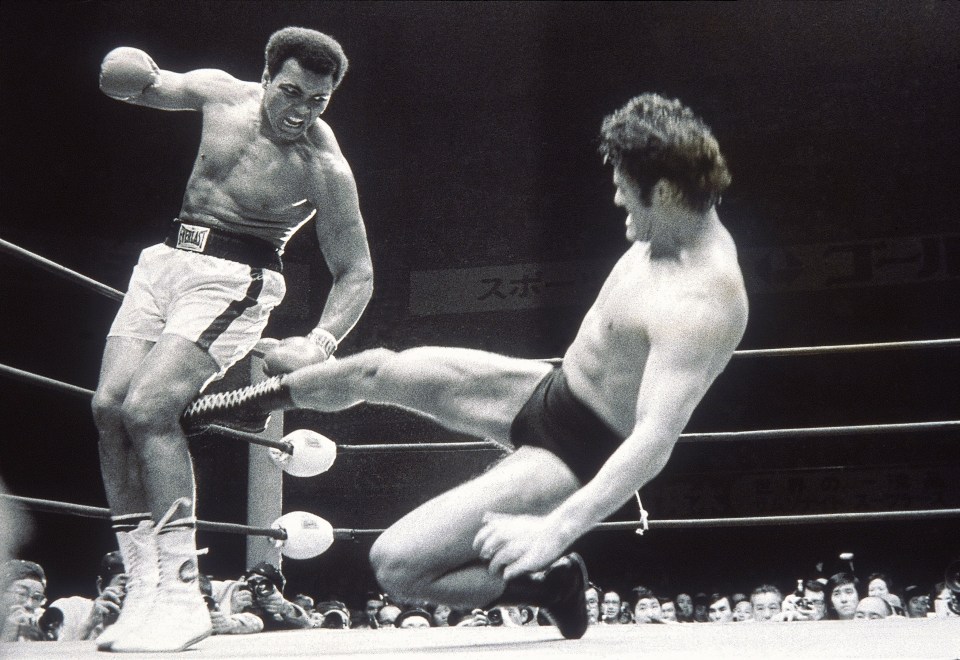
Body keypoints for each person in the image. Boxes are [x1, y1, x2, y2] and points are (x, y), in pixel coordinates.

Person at [182, 93, 746, 641]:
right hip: (550, 390)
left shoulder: (704, 300)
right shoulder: (663, 233)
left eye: (627, 190)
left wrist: (558, 528)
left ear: (667, 192)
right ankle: (243, 406)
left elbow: (653, 439)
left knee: (399, 564)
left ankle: (549, 587)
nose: (619, 201)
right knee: (376, 370)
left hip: (579, 453)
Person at [89, 25, 374, 654]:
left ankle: (183, 596)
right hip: (166, 261)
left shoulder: (323, 163)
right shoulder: (221, 93)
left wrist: (323, 340)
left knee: (150, 409)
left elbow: (356, 271)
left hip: (236, 278)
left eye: (319, 101)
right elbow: (150, 84)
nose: (302, 111)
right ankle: (142, 590)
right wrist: (132, 77)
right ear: (267, 77)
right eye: (292, 93)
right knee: (109, 410)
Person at [46, 551, 128, 641]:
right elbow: (58, 653)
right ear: (100, 586)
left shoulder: (141, 621)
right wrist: (89, 624)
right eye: (124, 586)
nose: (131, 594)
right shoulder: (71, 609)